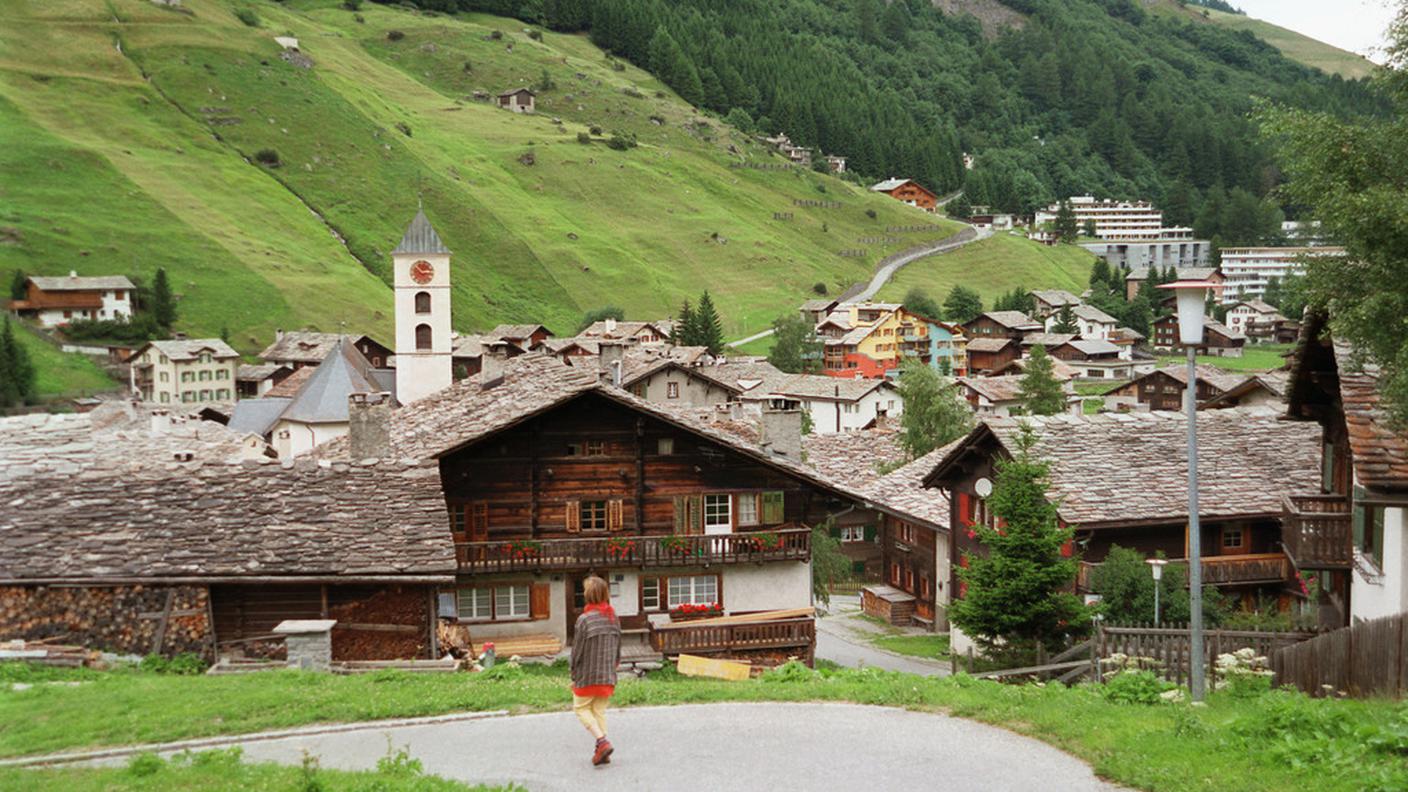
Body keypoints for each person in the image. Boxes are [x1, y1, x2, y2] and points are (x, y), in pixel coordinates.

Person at [570, 575, 622, 766]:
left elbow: (577, 651)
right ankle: (603, 752)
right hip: (607, 674)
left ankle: (602, 742)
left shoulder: (584, 619)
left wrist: (574, 674)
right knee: (599, 710)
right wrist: (613, 667)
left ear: (588, 595)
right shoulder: (613, 617)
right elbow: (618, 647)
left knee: (581, 708)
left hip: (588, 675)